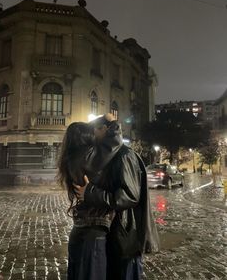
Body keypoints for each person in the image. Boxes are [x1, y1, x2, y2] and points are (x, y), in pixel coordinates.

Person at [74, 116, 160, 280]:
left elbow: (129, 196)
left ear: (105, 129)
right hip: (115, 235)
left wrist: (90, 193)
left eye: (96, 129)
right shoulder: (109, 154)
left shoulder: (124, 155)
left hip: (126, 238)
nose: (93, 134)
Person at [57, 115, 123, 280]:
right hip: (93, 229)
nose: (95, 133)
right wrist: (113, 122)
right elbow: (113, 143)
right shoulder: (87, 156)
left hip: (81, 227)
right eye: (91, 132)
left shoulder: (72, 158)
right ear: (85, 137)